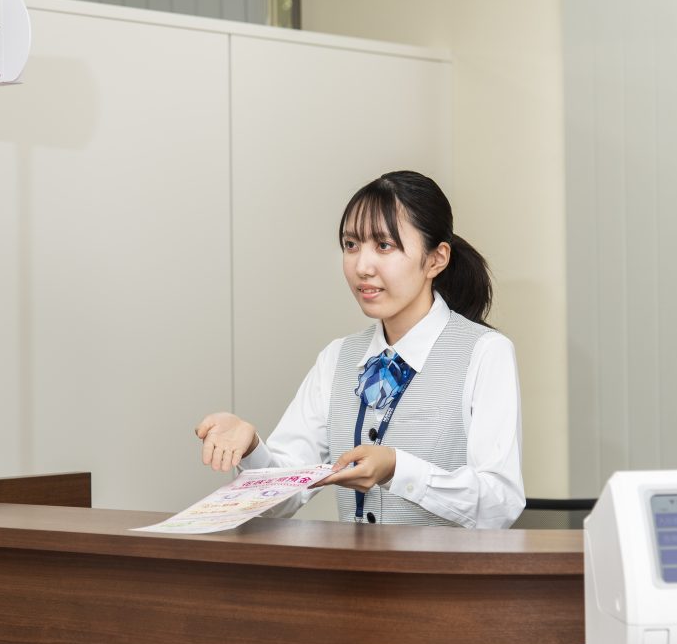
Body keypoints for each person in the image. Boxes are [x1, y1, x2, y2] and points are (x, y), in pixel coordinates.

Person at [195, 171, 524, 528]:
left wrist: (398, 469)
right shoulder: (338, 358)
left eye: (384, 245)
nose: (362, 267)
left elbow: (500, 503)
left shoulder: (484, 353)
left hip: (441, 567)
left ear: (435, 259)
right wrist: (251, 449)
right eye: (351, 245)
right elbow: (281, 501)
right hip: (349, 565)